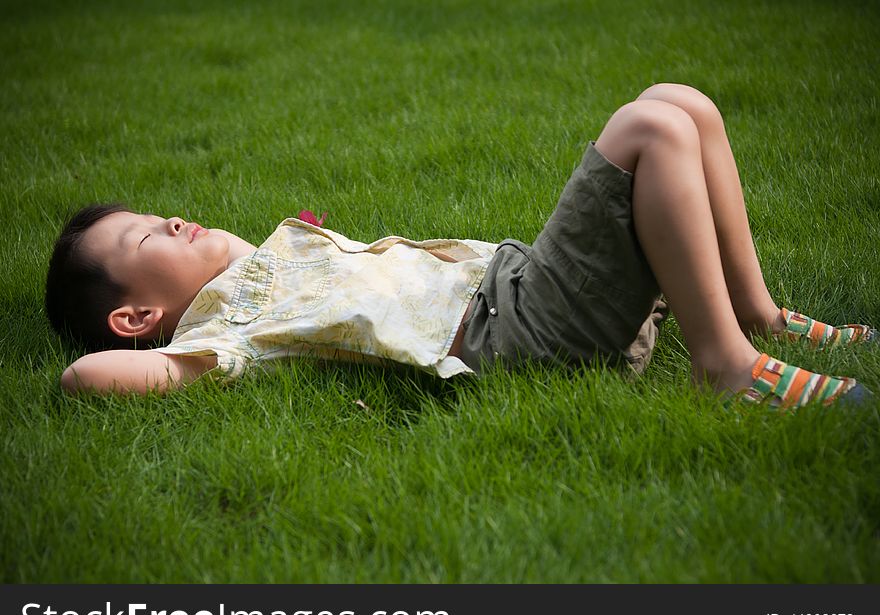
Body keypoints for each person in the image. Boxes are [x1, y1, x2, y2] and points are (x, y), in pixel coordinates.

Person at [46, 83, 876, 408]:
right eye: (146, 235)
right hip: (515, 329)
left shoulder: (271, 262)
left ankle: (753, 315)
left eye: (161, 212)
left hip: (521, 287)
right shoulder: (222, 328)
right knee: (652, 127)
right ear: (136, 314)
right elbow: (89, 376)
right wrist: (128, 355)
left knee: (685, 105)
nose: (173, 221)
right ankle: (724, 366)